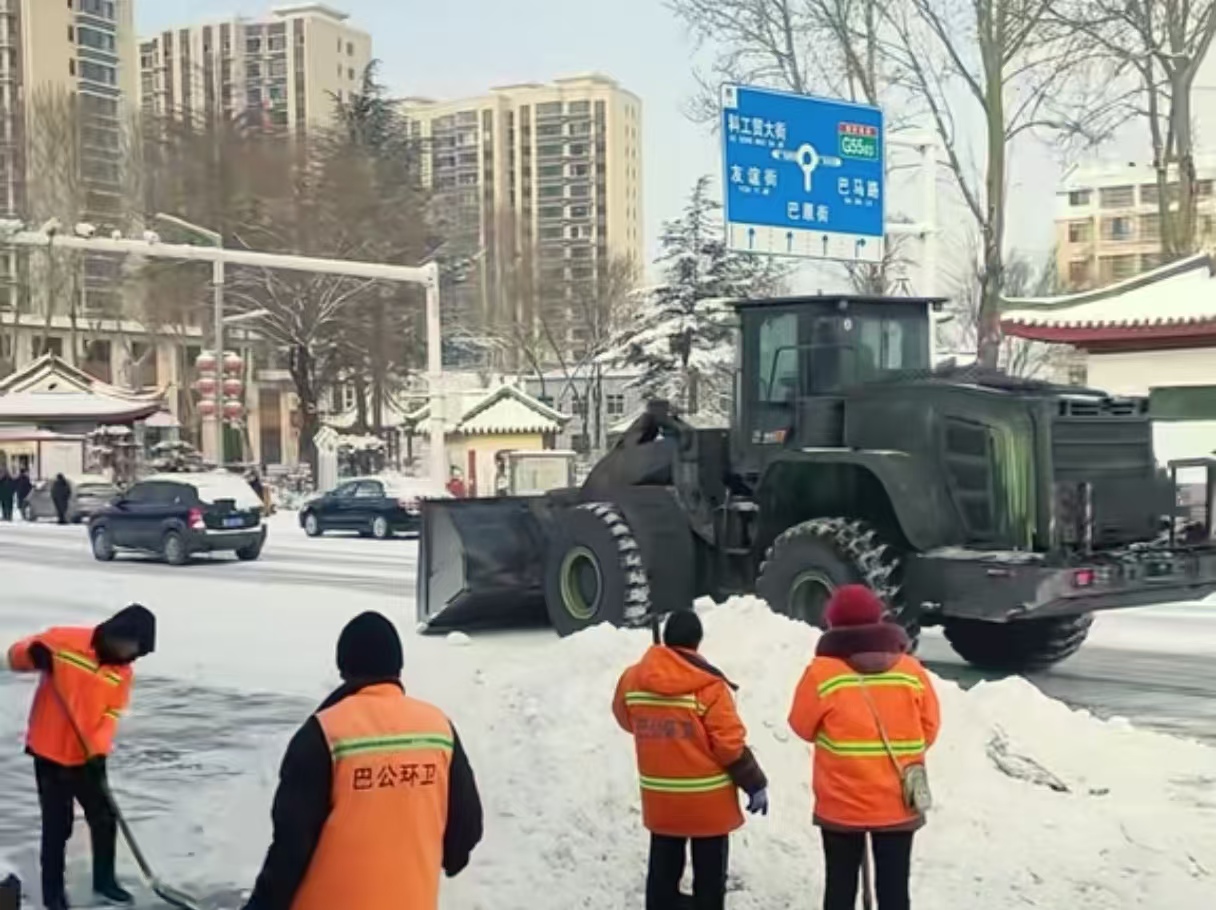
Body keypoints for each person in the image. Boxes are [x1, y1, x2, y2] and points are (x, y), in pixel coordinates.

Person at [241, 611, 483, 910]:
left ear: (344, 667)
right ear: (397, 667)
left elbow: (290, 848)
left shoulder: (324, 733)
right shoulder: (438, 729)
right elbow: (466, 830)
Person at [787, 585, 941, 910]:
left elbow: (801, 727)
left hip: (841, 803)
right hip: (899, 801)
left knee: (840, 887)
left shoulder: (821, 673)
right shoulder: (910, 670)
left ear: (832, 623)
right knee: (894, 890)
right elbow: (930, 728)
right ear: (878, 618)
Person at [4, 604, 158, 910]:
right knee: (57, 827)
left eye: (136, 651)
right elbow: (13, 658)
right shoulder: (64, 642)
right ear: (114, 633)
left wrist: (98, 751)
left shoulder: (121, 673)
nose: (129, 655)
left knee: (105, 819)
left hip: (88, 756)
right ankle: (53, 894)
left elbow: (111, 714)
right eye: (128, 646)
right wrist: (32, 654)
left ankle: (105, 881)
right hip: (49, 751)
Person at [613, 611, 768, 910]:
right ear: (697, 641)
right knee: (709, 879)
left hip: (661, 801)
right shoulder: (708, 686)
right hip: (708, 804)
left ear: (666, 638)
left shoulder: (632, 679)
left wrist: (659, 733)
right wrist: (754, 783)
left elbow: (625, 719)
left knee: (663, 873)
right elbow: (729, 746)